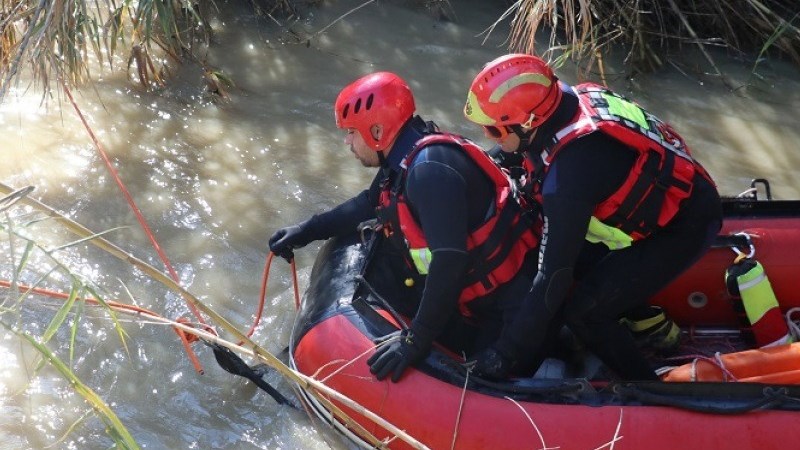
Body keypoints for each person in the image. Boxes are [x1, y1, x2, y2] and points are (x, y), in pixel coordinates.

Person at [462, 54, 723, 380]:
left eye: (494, 129)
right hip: (666, 193)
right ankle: (643, 321)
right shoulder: (566, 100)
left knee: (583, 313)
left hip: (684, 225)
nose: (490, 136)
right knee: (573, 261)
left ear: (529, 123)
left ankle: (651, 389)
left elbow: (552, 277)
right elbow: (513, 154)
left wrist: (505, 354)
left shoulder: (568, 178)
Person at [268, 72, 540, 382]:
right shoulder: (406, 155)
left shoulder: (428, 172)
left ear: (377, 131)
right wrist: (306, 230)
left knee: (483, 379)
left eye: (351, 133)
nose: (347, 141)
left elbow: (450, 261)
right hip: (481, 299)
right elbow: (368, 203)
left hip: (513, 313)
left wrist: (414, 341)